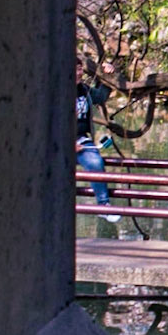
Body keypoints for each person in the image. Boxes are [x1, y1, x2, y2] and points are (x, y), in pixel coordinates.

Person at [75, 57, 120, 223]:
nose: (78, 73)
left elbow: (100, 96)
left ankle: (103, 206)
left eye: (80, 68)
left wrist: (107, 75)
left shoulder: (84, 90)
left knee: (95, 163)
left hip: (81, 140)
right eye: (74, 69)